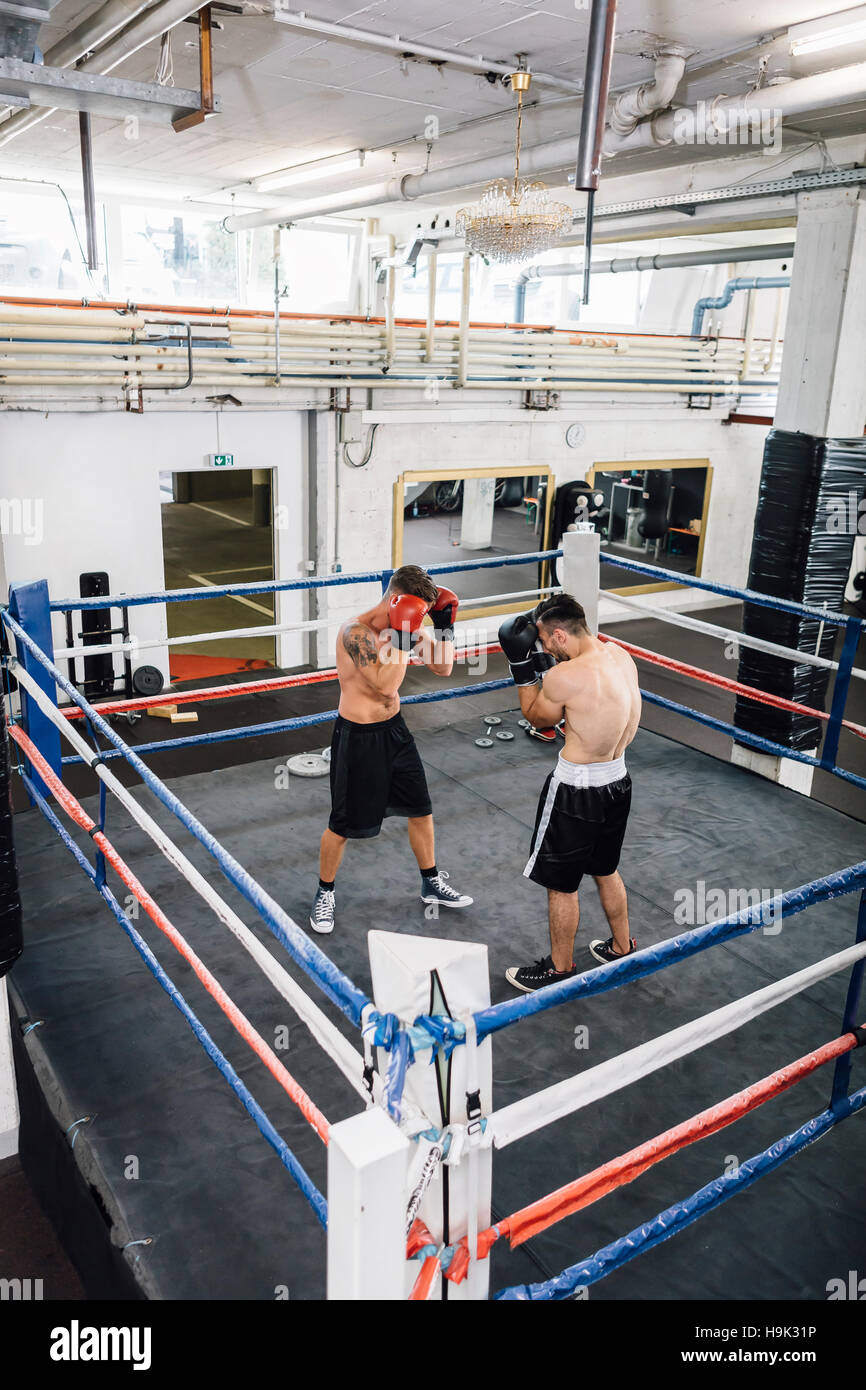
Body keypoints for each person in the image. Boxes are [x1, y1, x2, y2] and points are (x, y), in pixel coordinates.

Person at [310, 565, 473, 934]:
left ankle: (431, 881)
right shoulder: (355, 632)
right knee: (342, 824)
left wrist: (443, 625)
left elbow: (443, 667)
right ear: (396, 599)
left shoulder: (405, 627)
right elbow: (385, 684)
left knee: (420, 808)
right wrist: (403, 632)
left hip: (395, 732)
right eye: (417, 611)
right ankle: (324, 892)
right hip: (359, 737)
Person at [498, 594, 641, 991]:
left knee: (561, 884)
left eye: (544, 640)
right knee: (605, 868)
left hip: (578, 789)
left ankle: (559, 969)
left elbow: (538, 719)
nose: (542, 647)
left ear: (560, 635)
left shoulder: (565, 677)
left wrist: (522, 667)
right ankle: (620, 945)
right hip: (619, 780)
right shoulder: (620, 656)